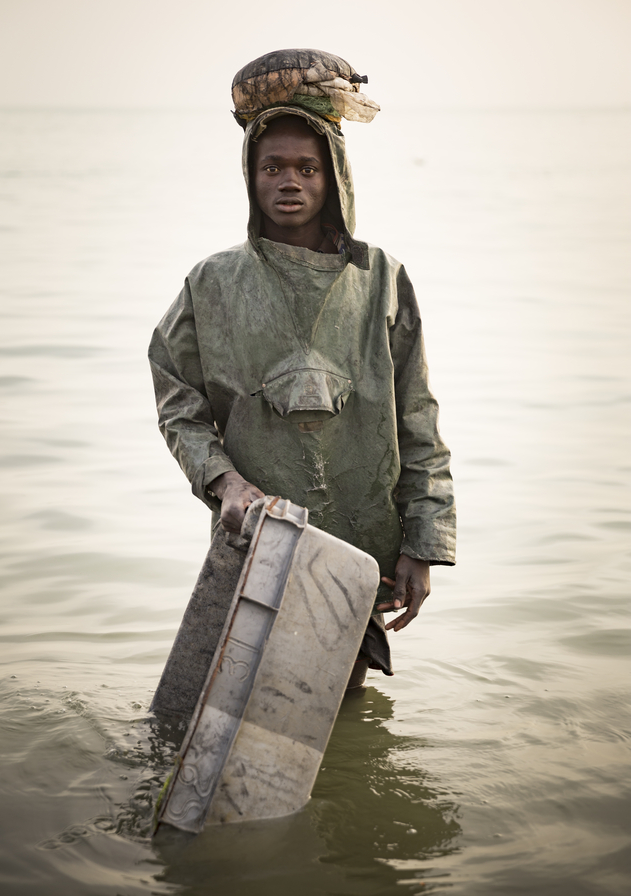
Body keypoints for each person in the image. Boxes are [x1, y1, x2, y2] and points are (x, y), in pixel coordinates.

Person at [149, 49, 456, 678]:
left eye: (308, 167)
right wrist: (223, 481)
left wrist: (422, 544)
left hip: (360, 550)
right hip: (253, 547)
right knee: (235, 710)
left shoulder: (382, 281)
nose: (290, 181)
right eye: (273, 167)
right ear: (250, 177)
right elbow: (179, 402)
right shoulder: (212, 283)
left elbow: (418, 417)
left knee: (336, 714)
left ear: (335, 175)